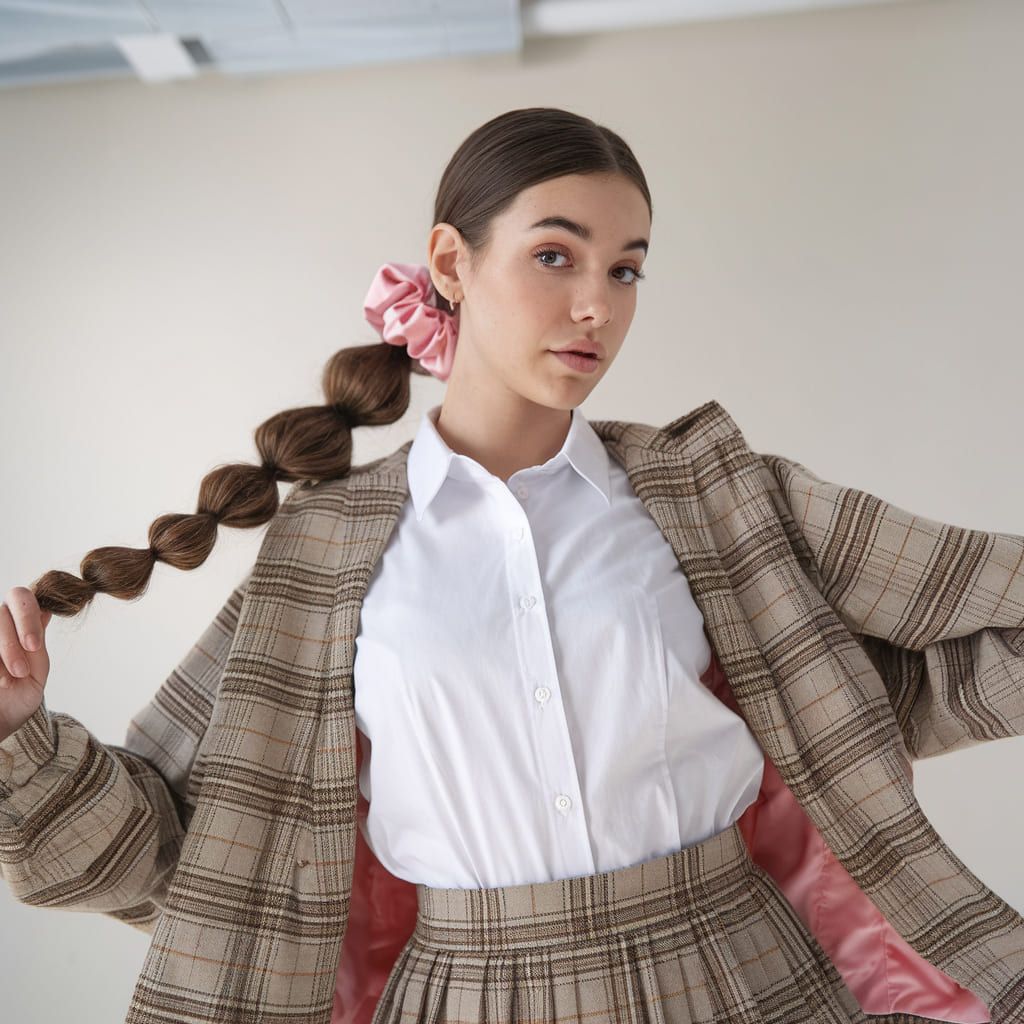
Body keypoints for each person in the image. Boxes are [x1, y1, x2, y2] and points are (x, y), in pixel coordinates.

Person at [0, 108, 1022, 1024]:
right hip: (467, 993)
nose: (597, 306)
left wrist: (835, 719)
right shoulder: (321, 556)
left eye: (625, 268)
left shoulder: (712, 493)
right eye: (555, 257)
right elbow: (181, 847)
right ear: (449, 261)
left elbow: (966, 617)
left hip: (739, 964)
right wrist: (18, 738)